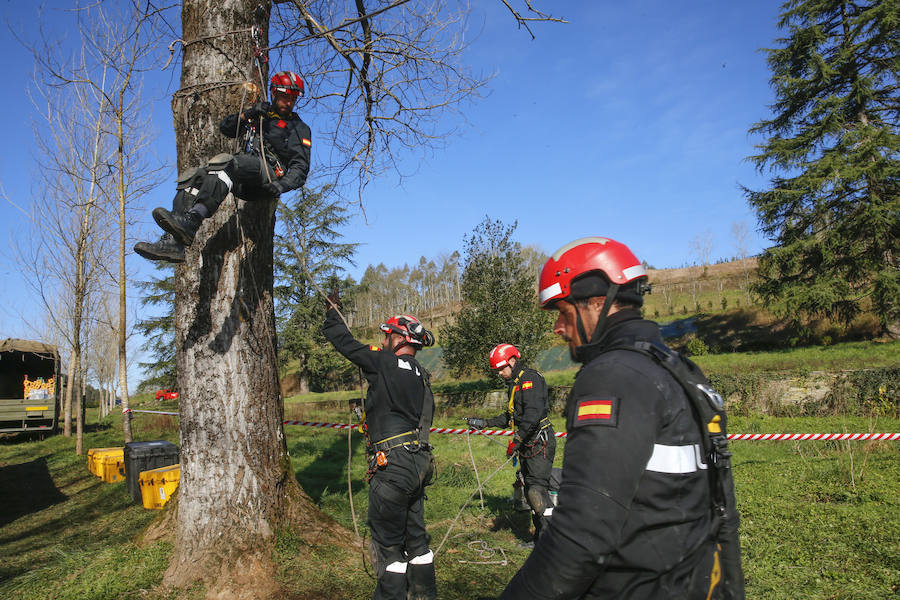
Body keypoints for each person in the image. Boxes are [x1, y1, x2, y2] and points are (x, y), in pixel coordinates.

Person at [499, 236, 744, 599]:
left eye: (564, 313)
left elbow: (581, 536)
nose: (559, 329)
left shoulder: (612, 376)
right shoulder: (684, 372)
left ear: (598, 303)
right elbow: (724, 510)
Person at [322, 292, 438, 600]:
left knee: (388, 545)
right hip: (419, 462)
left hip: (393, 465)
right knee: (416, 540)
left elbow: (343, 342)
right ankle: (425, 594)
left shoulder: (385, 362)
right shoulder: (423, 377)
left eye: (387, 336)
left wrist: (333, 311)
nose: (383, 341)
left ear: (399, 339)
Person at [134, 70, 312, 263]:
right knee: (195, 177)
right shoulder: (261, 115)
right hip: (243, 175)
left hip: (266, 175)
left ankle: (192, 220)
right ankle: (173, 243)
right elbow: (226, 128)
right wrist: (247, 115)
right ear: (274, 93)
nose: (289, 103)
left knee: (226, 162)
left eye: (293, 99)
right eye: (285, 97)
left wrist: (281, 185)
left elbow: (300, 168)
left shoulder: (299, 128)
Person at [465, 343, 556, 541]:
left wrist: (517, 440)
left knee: (536, 491)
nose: (499, 373)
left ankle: (550, 543)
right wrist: (484, 423)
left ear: (513, 361)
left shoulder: (530, 379)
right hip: (528, 445)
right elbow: (510, 416)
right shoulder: (514, 384)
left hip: (539, 442)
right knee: (530, 492)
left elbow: (532, 415)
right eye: (496, 370)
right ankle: (541, 539)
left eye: (501, 368)